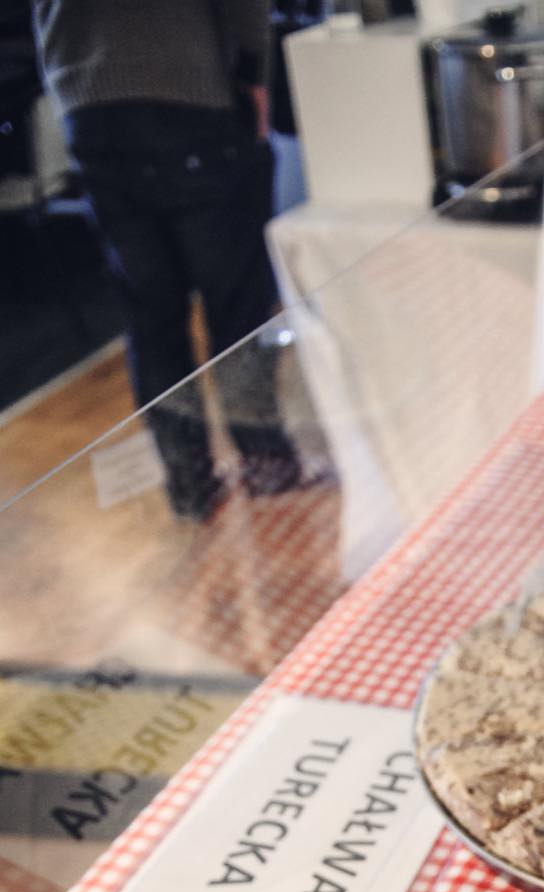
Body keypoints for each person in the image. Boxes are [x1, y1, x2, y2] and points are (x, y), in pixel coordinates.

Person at [32, 0, 304, 518]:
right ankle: (265, 464)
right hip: (190, 95)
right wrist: (253, 81)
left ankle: (189, 484)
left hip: (87, 106)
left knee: (149, 314)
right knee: (237, 307)